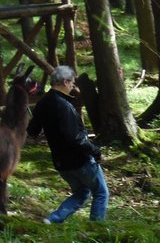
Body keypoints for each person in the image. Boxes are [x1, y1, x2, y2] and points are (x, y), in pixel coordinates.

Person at [27, 65, 108, 223]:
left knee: (82, 192)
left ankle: (53, 219)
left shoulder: (43, 103)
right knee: (101, 192)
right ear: (65, 82)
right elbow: (75, 137)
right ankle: (97, 228)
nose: (73, 85)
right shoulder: (64, 106)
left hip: (61, 163)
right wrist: (95, 151)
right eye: (72, 82)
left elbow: (32, 130)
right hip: (80, 161)